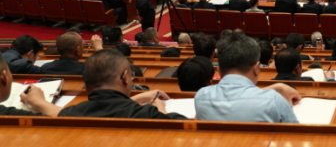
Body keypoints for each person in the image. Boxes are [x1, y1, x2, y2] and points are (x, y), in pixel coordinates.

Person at [194, 32, 302, 123]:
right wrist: (279, 87)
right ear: (256, 68)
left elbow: (235, 94)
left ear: (219, 70)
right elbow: (296, 134)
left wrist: (278, 86)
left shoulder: (201, 96)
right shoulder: (274, 100)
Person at [57, 49, 185, 119]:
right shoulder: (147, 115)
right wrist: (161, 110)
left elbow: (109, 108)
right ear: (125, 78)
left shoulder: (68, 114)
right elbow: (181, 125)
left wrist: (136, 98)